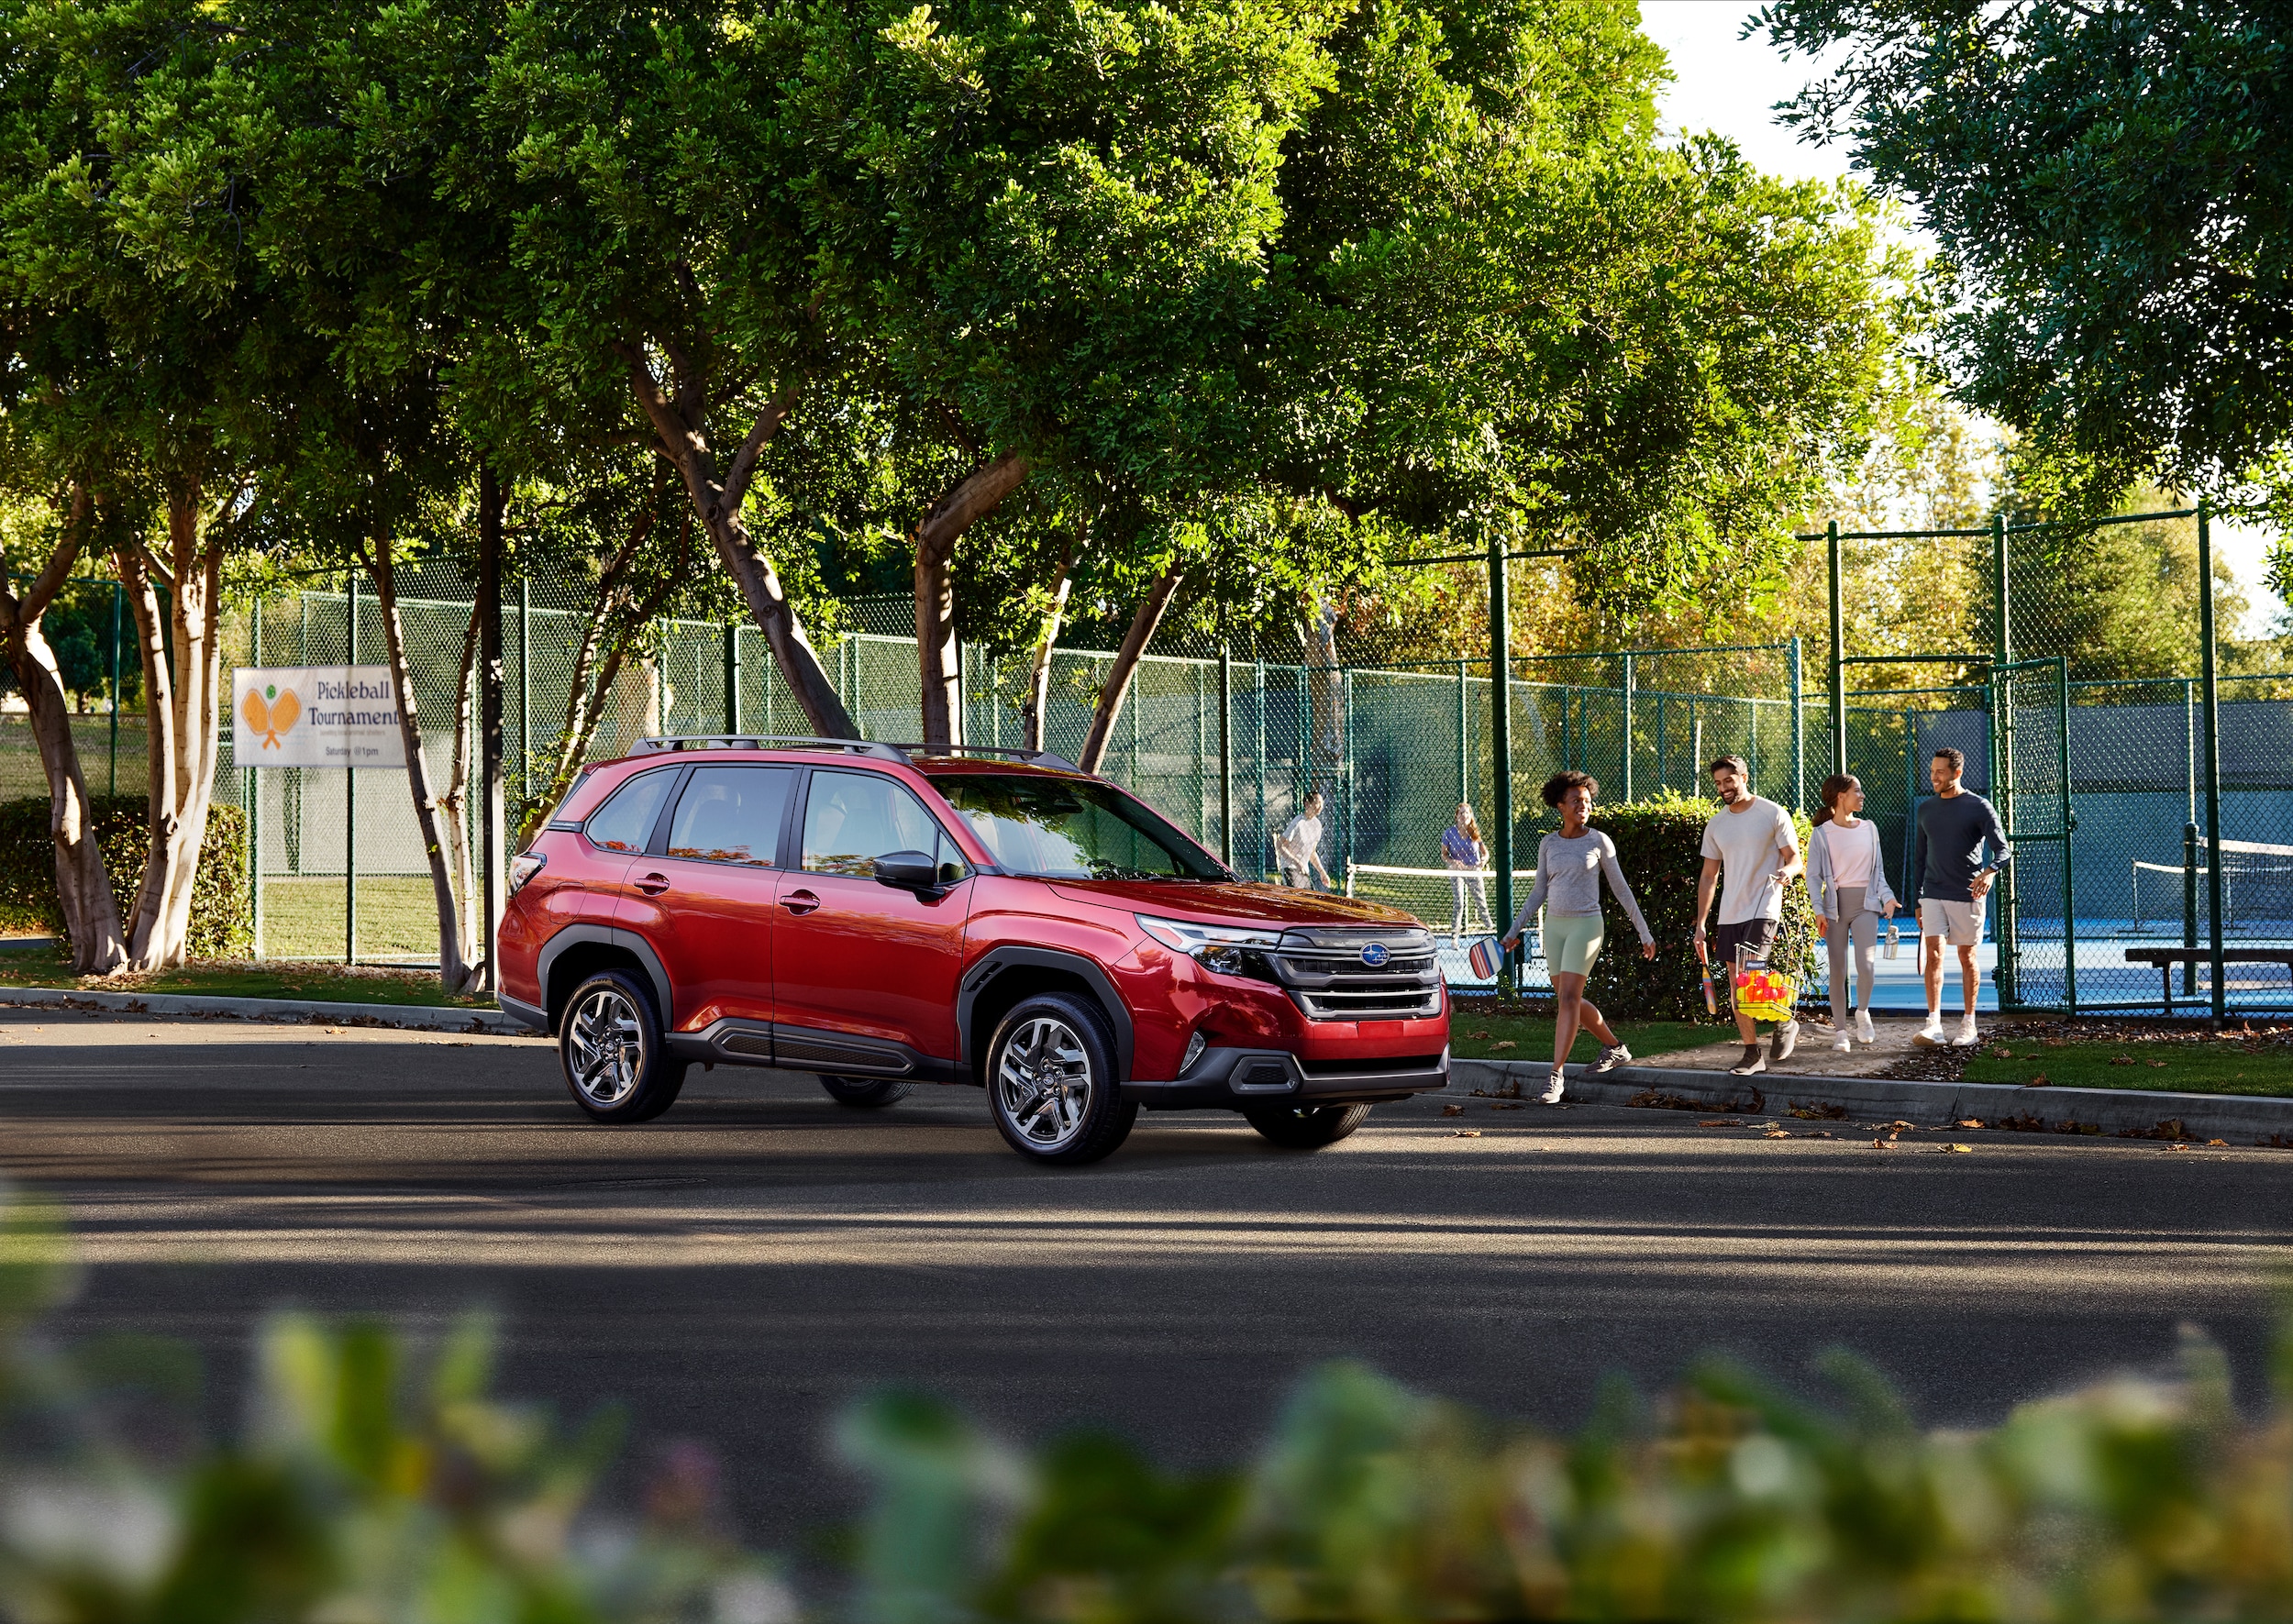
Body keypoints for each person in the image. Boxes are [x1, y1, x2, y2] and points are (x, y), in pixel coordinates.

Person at [1500, 770, 1656, 1105]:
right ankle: (1615, 1048)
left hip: (1587, 926)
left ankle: (1555, 1076)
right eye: (1576, 801)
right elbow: (1538, 891)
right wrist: (1515, 931)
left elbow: (1621, 889)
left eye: (1586, 800)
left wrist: (1643, 931)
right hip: (1554, 927)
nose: (1583, 805)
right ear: (1561, 806)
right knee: (1566, 999)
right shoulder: (1549, 843)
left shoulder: (1599, 841)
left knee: (1569, 998)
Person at [1691, 754, 1803, 1076]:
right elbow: (1709, 877)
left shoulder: (1772, 813)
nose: (1723, 787)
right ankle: (1753, 1052)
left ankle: (1782, 1019)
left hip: (1764, 908)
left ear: (1743, 777)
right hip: (1729, 914)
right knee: (1735, 983)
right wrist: (1700, 924)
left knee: (1749, 977)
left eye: (1729, 780)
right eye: (1718, 783)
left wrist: (1787, 872)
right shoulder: (1717, 824)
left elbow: (1794, 858)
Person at [1910, 746, 2011, 1047]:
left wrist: (1990, 872)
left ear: (1957, 772)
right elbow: (1919, 858)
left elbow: (2003, 850)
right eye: (1932, 771)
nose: (1934, 776)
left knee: (1967, 956)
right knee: (1934, 954)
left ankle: (1969, 1025)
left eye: (1940, 771)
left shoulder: (1979, 807)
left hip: (1967, 894)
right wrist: (1917, 900)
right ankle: (1933, 1025)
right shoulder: (1926, 808)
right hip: (1933, 894)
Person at [1806, 773, 1898, 1050]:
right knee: (1837, 970)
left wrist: (1888, 898)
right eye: (1857, 791)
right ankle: (1841, 1032)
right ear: (1840, 796)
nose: (1862, 795)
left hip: (1866, 906)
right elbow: (1813, 877)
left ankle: (1862, 1012)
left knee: (1867, 966)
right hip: (1834, 910)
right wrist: (1818, 910)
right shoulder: (1821, 834)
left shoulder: (1869, 828)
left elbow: (1878, 872)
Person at [1442, 802, 1494, 941]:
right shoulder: (1449, 833)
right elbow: (1444, 855)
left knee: (1481, 902)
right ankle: (1455, 936)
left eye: (1467, 813)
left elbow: (1486, 853)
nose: (1464, 815)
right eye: (1461, 813)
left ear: (1471, 816)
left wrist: (1483, 861)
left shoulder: (1474, 833)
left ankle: (1492, 931)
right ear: (1456, 816)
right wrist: (1454, 862)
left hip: (1473, 871)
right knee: (1459, 902)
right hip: (1457, 871)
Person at [1274, 791, 1333, 889]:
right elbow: (1280, 844)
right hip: (1291, 868)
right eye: (1317, 802)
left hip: (1304, 870)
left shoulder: (1317, 825)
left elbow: (1312, 852)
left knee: (1310, 899)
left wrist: (1322, 872)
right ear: (1307, 804)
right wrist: (1297, 863)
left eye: (1322, 803)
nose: (1320, 806)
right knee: (1298, 899)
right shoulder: (1298, 823)